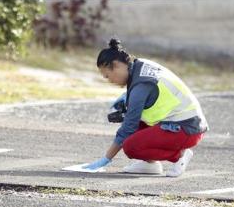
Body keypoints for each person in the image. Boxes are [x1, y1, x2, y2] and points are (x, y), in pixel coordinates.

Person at [83, 38, 208, 177]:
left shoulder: (140, 86)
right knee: (136, 126)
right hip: (188, 123)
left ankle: (180, 156)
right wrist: (127, 101)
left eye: (108, 76)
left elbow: (128, 128)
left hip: (186, 129)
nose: (110, 81)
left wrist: (106, 159)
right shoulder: (139, 65)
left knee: (131, 146)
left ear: (116, 65)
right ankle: (149, 163)